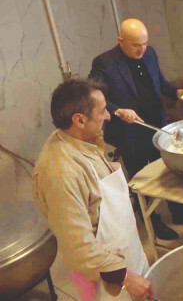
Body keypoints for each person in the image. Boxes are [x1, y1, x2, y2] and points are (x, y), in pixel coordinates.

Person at [33, 79, 153, 300]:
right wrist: (126, 277)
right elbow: (77, 247)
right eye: (103, 111)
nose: (108, 115)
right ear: (79, 119)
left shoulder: (78, 136)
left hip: (126, 253)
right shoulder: (62, 173)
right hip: (108, 279)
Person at [90, 18, 183, 241]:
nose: (142, 49)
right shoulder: (104, 63)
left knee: (170, 170)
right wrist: (118, 109)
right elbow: (95, 95)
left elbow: (159, 82)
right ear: (121, 41)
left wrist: (176, 92)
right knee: (142, 178)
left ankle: (179, 213)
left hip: (156, 125)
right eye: (135, 45)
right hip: (130, 131)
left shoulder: (149, 53)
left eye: (144, 43)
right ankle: (153, 221)